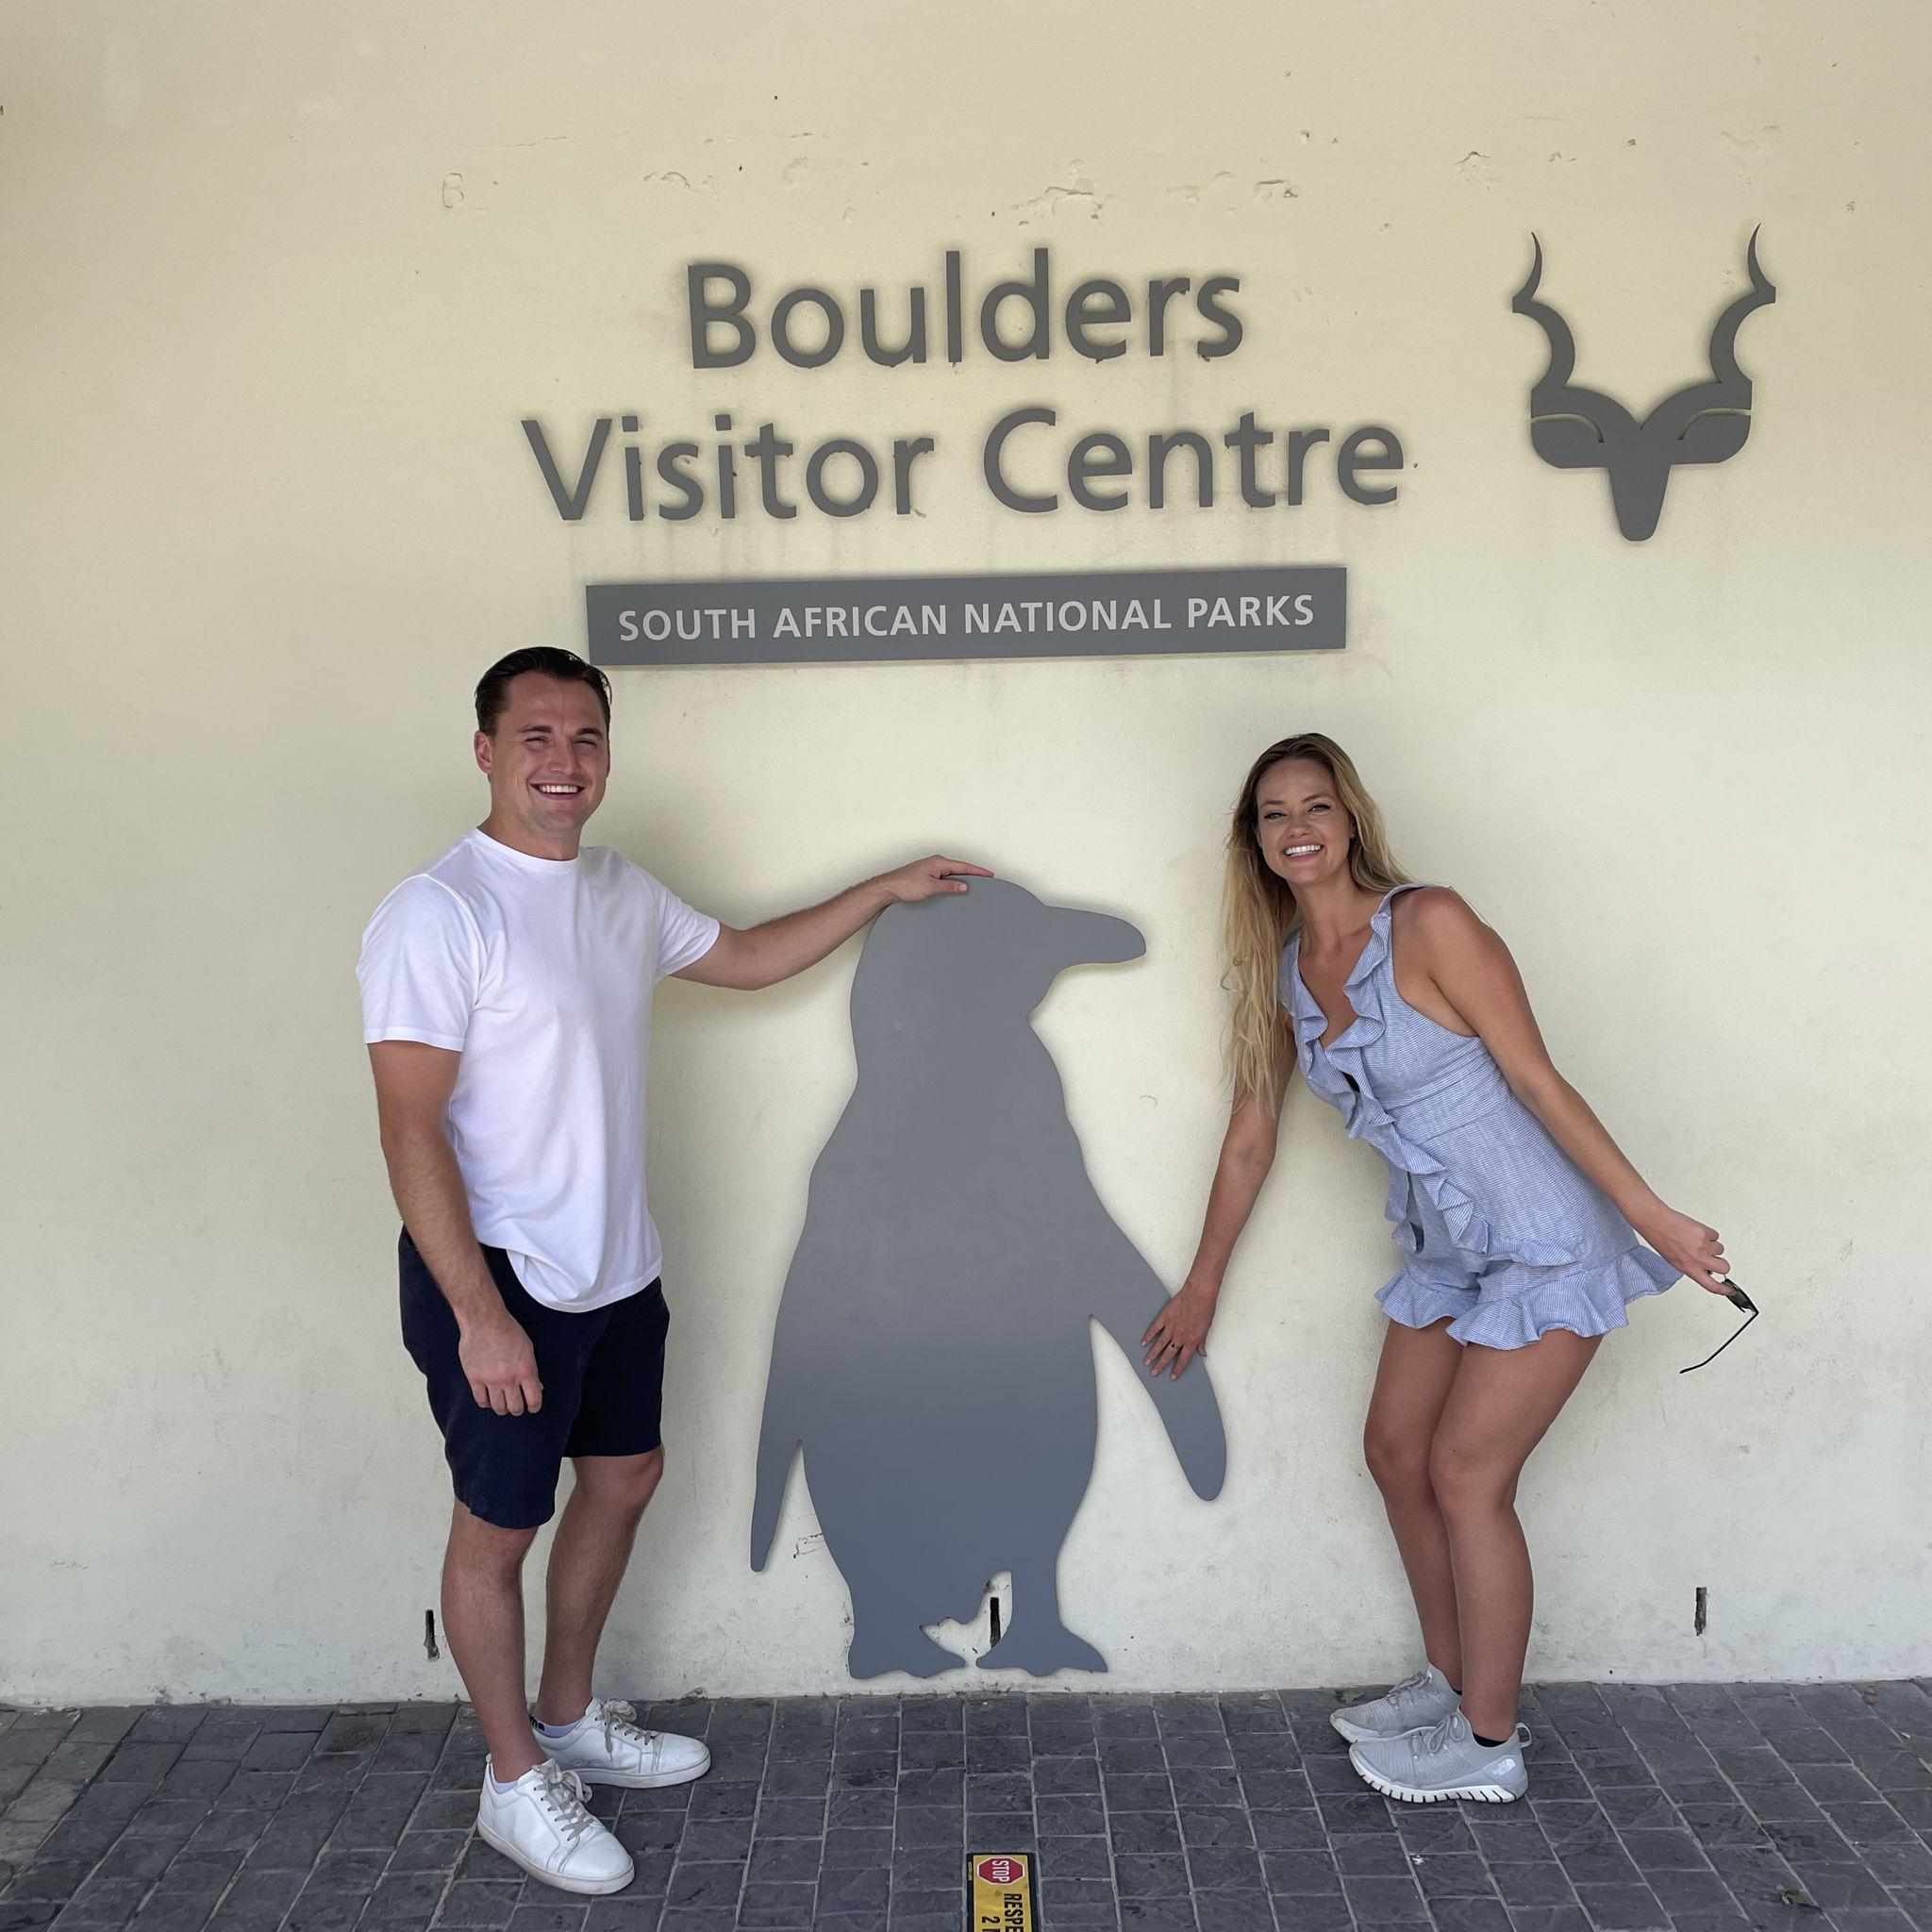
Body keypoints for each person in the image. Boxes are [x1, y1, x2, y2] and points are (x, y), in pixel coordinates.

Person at [357, 646, 987, 1892]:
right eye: (536, 737)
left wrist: (881, 889)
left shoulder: (616, 890)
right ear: (485, 751)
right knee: (498, 1527)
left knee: (625, 1476)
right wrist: (478, 1314)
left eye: (585, 737)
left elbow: (746, 956)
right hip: (500, 1277)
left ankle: (567, 1716)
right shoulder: (438, 910)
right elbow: (408, 1127)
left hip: (615, 1267)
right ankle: (514, 1782)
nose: (564, 761)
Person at [1141, 732, 1730, 1804]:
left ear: (1350, 817)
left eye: (1315, 805)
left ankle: (1488, 1742)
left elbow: (1538, 1081)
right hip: (1445, 1250)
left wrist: (1654, 1220)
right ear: (1254, 840)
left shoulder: (1429, 921)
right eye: (1274, 813)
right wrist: (1202, 1283)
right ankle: (1450, 1685)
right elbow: (1249, 1136)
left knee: (1466, 1475)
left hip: (1545, 1241)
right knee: (1393, 1451)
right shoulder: (1284, 972)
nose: (1297, 827)